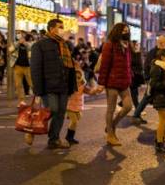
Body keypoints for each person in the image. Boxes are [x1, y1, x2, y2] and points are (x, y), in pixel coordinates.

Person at [29, 19, 77, 149]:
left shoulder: (64, 45)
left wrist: (72, 86)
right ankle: (31, 128)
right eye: (60, 27)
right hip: (48, 85)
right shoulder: (40, 45)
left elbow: (70, 67)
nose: (63, 29)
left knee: (60, 112)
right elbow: (35, 68)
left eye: (63, 27)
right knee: (52, 110)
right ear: (51, 29)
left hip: (63, 85)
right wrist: (38, 89)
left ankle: (54, 139)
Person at [97, 23, 133, 146]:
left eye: (127, 30)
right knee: (111, 109)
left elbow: (128, 64)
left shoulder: (128, 45)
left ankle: (111, 125)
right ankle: (110, 135)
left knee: (128, 106)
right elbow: (104, 65)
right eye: (123, 30)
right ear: (117, 31)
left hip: (124, 82)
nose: (126, 32)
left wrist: (130, 76)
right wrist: (101, 83)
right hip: (111, 82)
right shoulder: (109, 45)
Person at [132, 35, 165, 124]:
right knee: (147, 97)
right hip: (153, 79)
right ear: (161, 43)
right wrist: (148, 78)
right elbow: (147, 66)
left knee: (148, 97)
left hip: (157, 79)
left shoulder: (162, 52)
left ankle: (136, 115)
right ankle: (136, 115)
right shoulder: (153, 53)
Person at [65, 56, 100, 144]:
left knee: (75, 121)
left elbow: (87, 90)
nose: (77, 77)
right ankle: (69, 137)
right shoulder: (70, 81)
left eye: (78, 76)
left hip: (77, 105)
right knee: (74, 121)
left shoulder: (81, 81)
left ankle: (70, 137)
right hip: (70, 104)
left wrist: (95, 90)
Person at [10, 33, 33, 104]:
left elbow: (31, 49)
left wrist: (25, 43)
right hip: (17, 66)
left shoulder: (29, 44)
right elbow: (10, 50)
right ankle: (21, 101)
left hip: (27, 67)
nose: (21, 39)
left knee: (31, 83)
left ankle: (38, 97)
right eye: (20, 38)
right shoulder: (15, 44)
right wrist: (18, 44)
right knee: (18, 84)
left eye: (23, 37)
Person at [129, 40, 145, 110]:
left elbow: (140, 65)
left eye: (137, 45)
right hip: (132, 75)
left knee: (133, 93)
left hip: (137, 76)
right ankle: (138, 109)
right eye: (135, 45)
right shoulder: (131, 54)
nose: (137, 46)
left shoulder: (138, 53)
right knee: (134, 93)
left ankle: (120, 104)